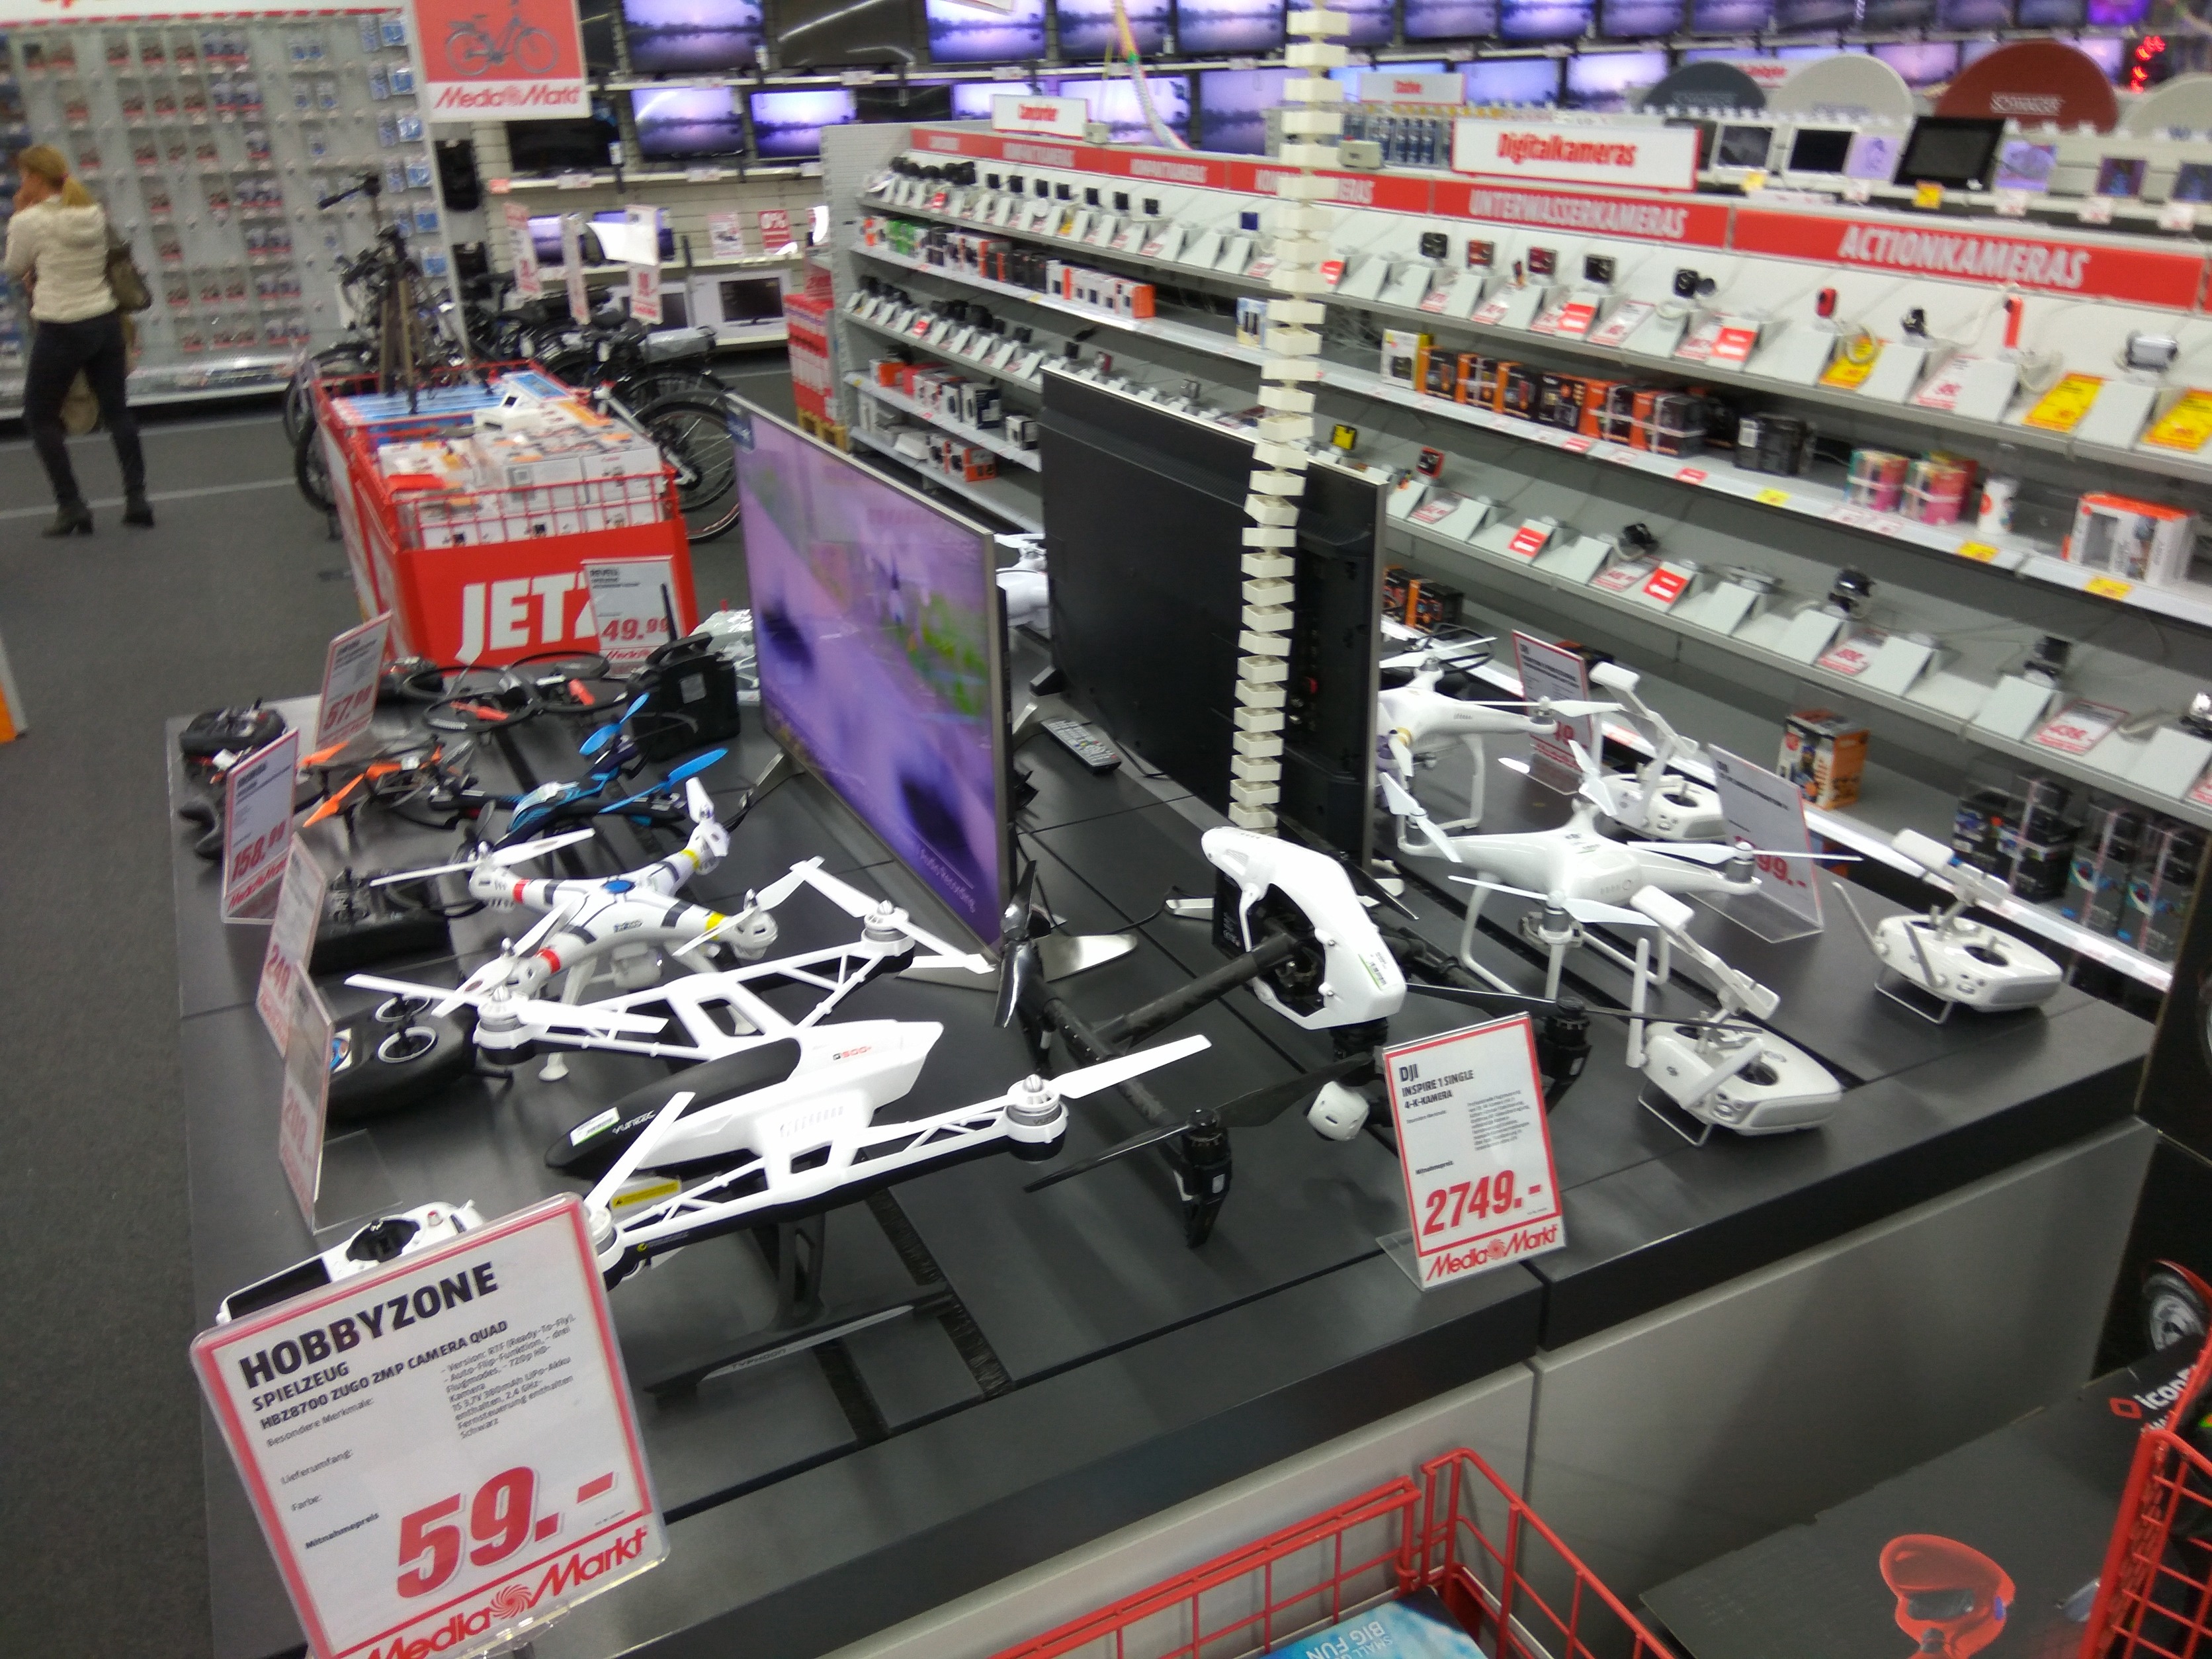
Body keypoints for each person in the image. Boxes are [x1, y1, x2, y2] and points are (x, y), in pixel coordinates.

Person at [4, 144, 148, 536]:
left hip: (62, 326)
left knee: (40, 415)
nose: (20, 182)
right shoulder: (92, 212)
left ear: (35, 178)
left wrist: (18, 213)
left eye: (23, 176)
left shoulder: (30, 220)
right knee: (117, 412)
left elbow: (13, 268)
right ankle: (137, 499)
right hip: (104, 322)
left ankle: (72, 505)